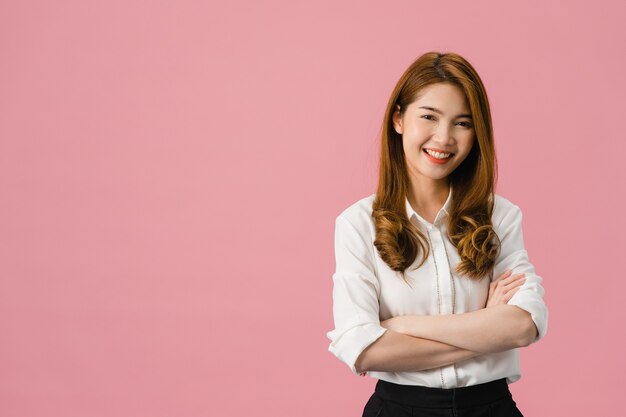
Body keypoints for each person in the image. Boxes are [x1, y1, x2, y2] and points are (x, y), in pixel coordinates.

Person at [325, 51, 548, 417]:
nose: (443, 138)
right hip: (399, 409)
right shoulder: (356, 223)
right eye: (428, 117)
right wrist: (487, 333)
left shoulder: (500, 216)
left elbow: (524, 325)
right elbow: (365, 349)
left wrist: (403, 327)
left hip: (490, 408)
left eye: (463, 123)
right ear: (399, 118)